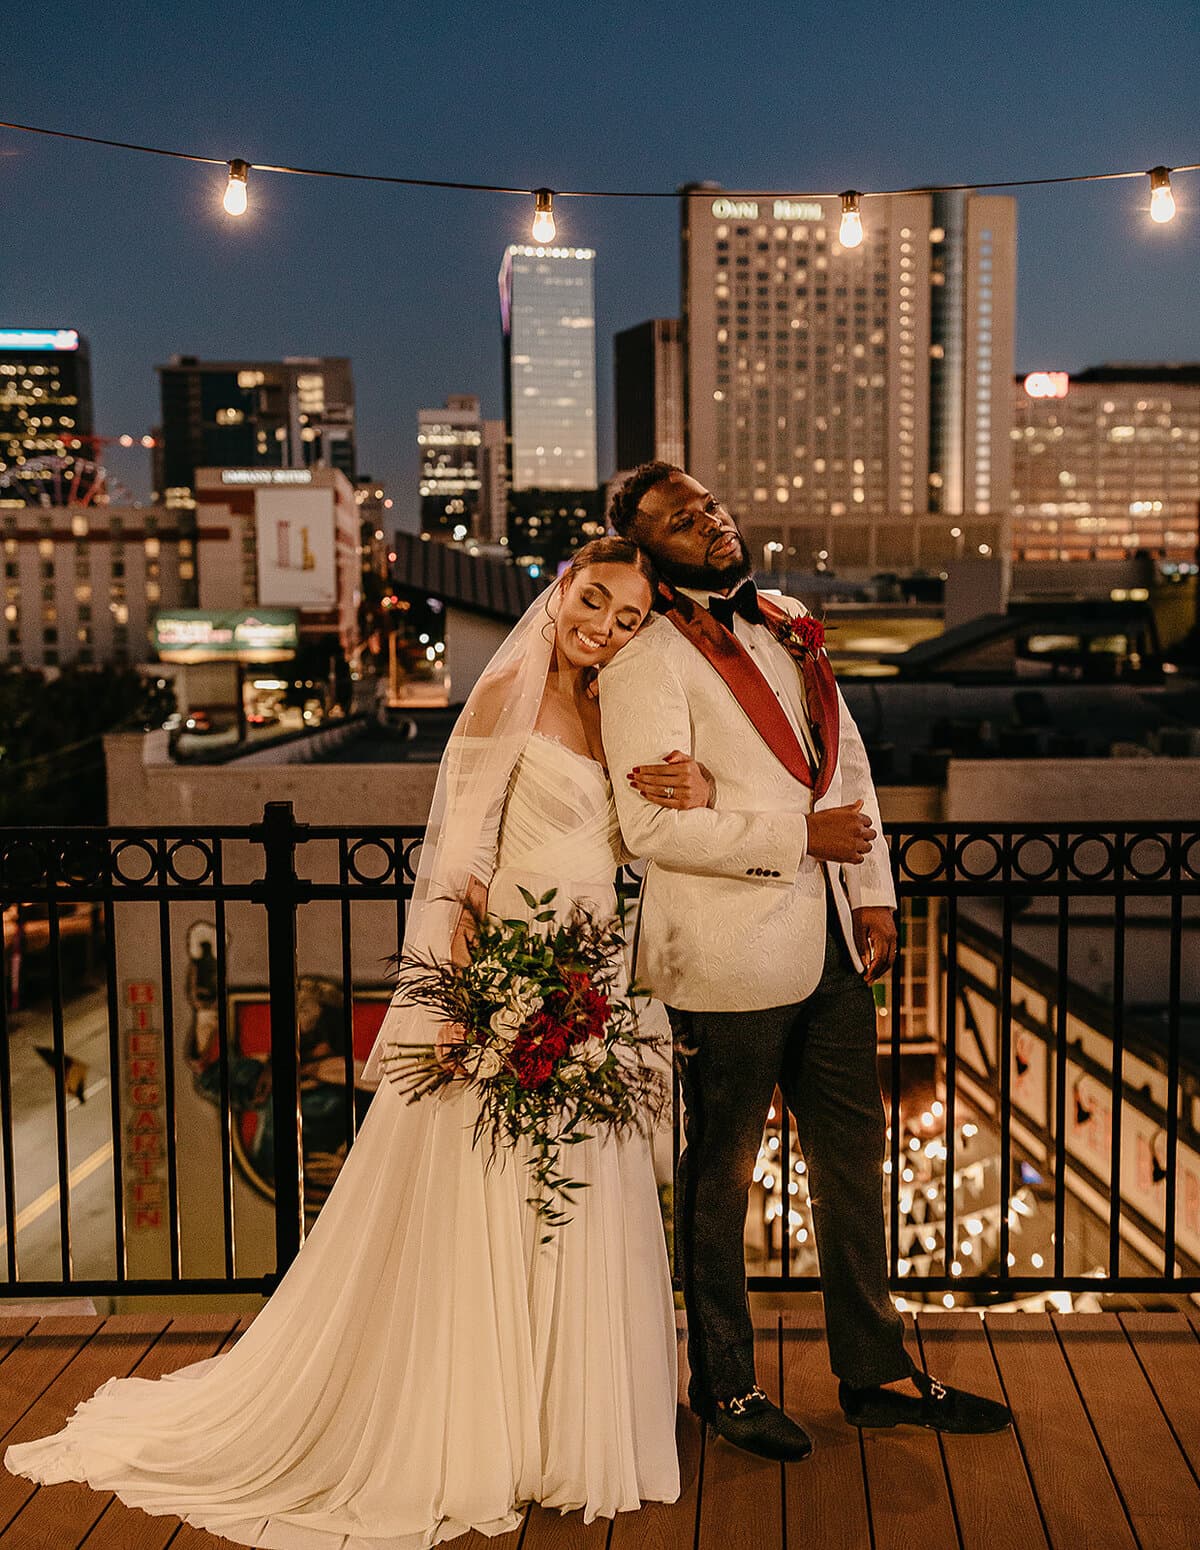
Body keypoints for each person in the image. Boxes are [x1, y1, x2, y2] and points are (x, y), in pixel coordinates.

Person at [4, 538, 714, 1547]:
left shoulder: (619, 708)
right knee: (492, 1197)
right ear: (561, 589)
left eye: (627, 616)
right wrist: (469, 1005)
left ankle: (569, 1424)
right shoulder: (503, 693)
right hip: (509, 978)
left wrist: (697, 788)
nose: (604, 625)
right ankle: (491, 1426)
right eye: (594, 598)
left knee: (578, 1192)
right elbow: (460, 869)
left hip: (588, 983)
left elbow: (643, 832)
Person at [601, 464, 1013, 1462]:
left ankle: (875, 1373)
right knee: (721, 1178)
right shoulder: (644, 661)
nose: (710, 521)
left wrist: (872, 891)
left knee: (852, 1165)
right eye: (682, 521)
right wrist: (798, 840)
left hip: (830, 940)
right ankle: (726, 1385)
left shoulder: (786, 618)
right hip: (725, 955)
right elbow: (651, 826)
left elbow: (846, 765)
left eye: (707, 505)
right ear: (649, 551)